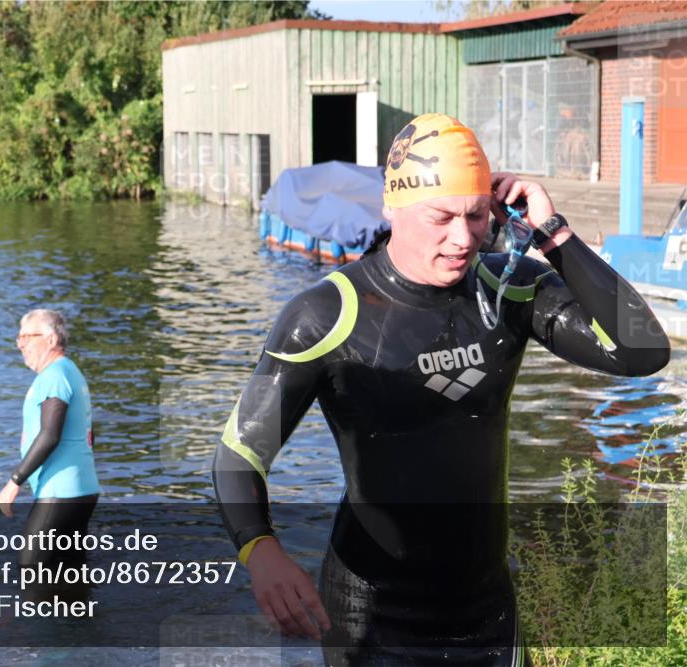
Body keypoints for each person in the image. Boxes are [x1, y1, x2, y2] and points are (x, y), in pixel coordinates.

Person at [212, 113, 670, 665]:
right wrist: (262, 551)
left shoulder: (508, 289)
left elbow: (642, 350)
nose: (462, 237)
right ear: (392, 205)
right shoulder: (326, 315)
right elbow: (239, 453)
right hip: (371, 617)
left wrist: (555, 234)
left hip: (486, 613)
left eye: (477, 215)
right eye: (442, 216)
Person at [0, 310, 100, 574]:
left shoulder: (55, 375)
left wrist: (14, 481)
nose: (20, 343)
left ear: (51, 339)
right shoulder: (67, 371)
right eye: (18, 337)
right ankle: (77, 615)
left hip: (61, 491)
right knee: (69, 572)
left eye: (27, 336)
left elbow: (49, 435)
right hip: (77, 488)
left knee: (30, 570)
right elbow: (87, 431)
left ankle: (43, 615)